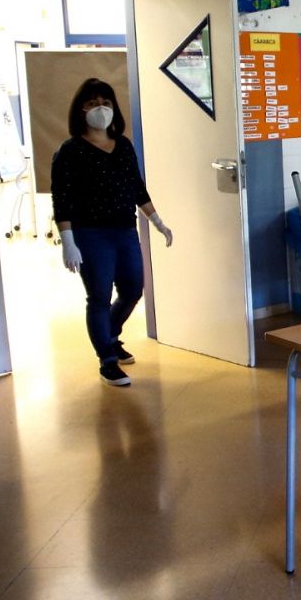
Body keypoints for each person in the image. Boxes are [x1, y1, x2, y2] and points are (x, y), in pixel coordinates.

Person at [51, 78, 173, 386]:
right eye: (91, 104)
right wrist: (68, 242)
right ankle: (107, 359)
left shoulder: (124, 145)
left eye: (104, 102)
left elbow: (136, 187)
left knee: (133, 289)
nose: (99, 109)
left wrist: (157, 222)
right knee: (100, 296)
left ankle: (110, 335)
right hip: (90, 234)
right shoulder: (70, 151)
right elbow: (61, 199)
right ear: (80, 110)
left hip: (124, 230)